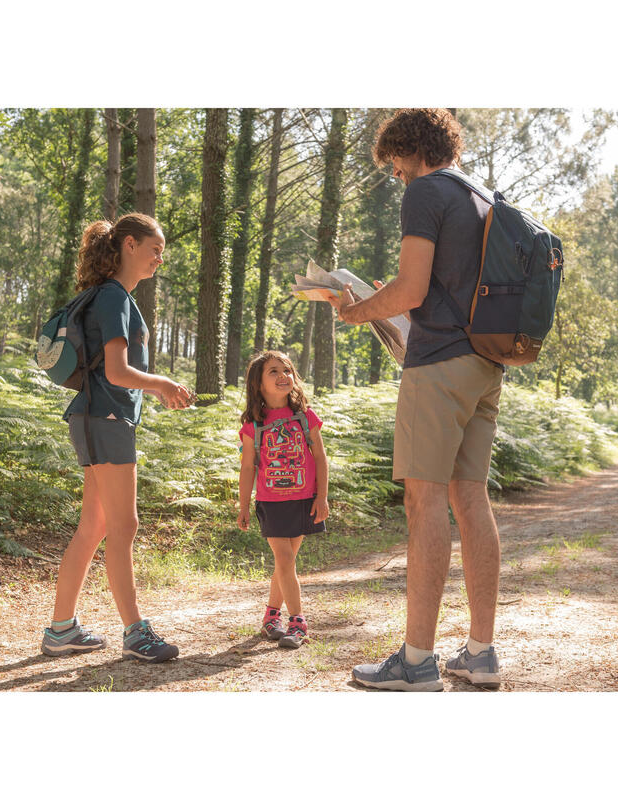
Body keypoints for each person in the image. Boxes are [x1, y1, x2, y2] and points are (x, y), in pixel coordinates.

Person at [327, 109, 504, 691]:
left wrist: (355, 310)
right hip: (485, 362)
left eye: (396, 166)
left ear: (410, 150)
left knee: (424, 503)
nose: (398, 177)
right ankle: (479, 652)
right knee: (470, 499)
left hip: (438, 365)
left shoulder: (427, 190)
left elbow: (413, 289)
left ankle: (417, 660)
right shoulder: (479, 194)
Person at [41, 213, 195, 664]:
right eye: (154, 248)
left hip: (94, 416)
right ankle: (135, 632)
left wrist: (156, 388)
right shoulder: (114, 298)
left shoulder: (108, 296)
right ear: (129, 244)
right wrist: (163, 384)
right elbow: (116, 372)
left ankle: (61, 629)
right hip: (105, 418)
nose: (159, 259)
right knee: (124, 526)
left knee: (95, 526)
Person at [236, 350, 329, 649]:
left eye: (287, 370)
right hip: (271, 502)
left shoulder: (305, 417)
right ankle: (298, 622)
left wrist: (322, 497)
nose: (282, 376)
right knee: (285, 560)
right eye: (273, 371)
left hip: (304, 498)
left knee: (284, 564)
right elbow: (247, 467)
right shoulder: (253, 425)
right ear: (258, 384)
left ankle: (270, 617)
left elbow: (320, 458)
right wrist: (244, 505)